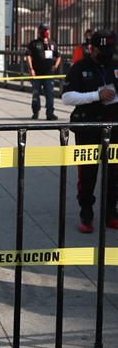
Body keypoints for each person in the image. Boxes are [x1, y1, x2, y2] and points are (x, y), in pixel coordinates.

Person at [60, 29, 118, 233]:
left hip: (114, 128)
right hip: (88, 128)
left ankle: (111, 213)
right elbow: (66, 97)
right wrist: (96, 95)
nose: (108, 53)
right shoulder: (80, 67)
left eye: (111, 49)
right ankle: (86, 213)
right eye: (104, 50)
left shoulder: (115, 65)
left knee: (114, 174)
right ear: (92, 49)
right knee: (87, 174)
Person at [25, 24, 62, 120]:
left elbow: (58, 56)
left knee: (50, 94)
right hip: (37, 74)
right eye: (43, 30)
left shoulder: (52, 44)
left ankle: (50, 113)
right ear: (39, 31)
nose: (46, 32)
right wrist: (31, 69)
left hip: (48, 74)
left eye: (47, 30)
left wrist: (55, 66)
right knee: (36, 94)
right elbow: (28, 56)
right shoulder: (34, 43)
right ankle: (35, 111)